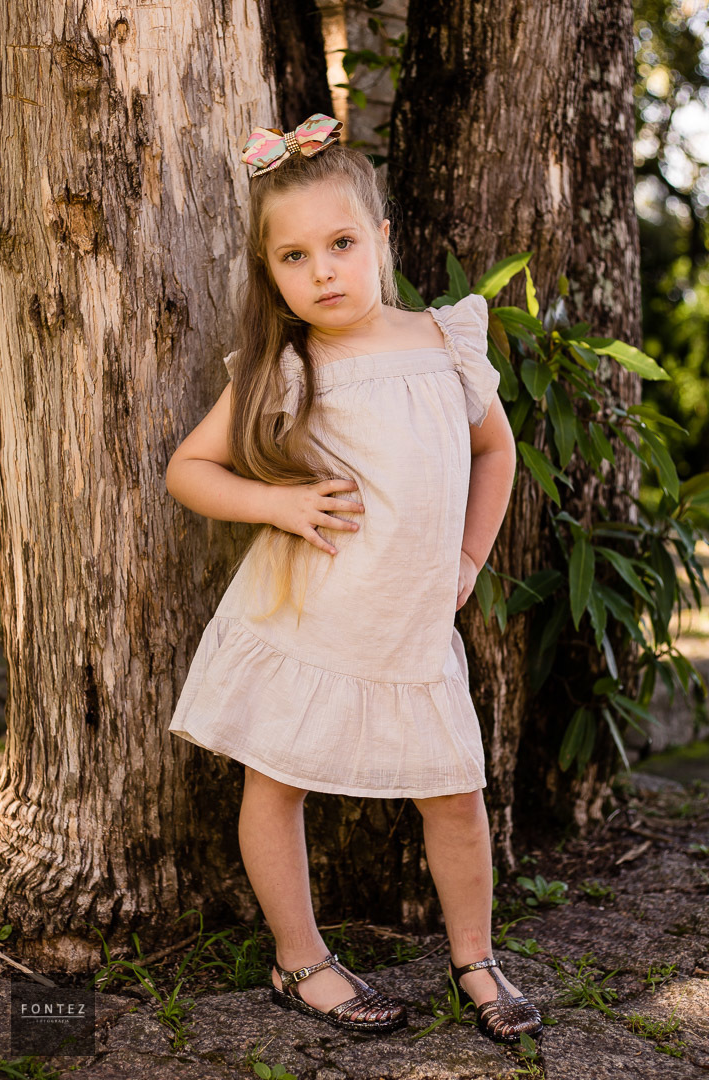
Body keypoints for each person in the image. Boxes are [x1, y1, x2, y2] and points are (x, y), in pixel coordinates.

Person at [165, 112, 543, 1044]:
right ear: (271, 275)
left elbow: (495, 452)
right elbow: (190, 470)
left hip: (410, 625)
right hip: (308, 620)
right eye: (294, 257)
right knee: (276, 783)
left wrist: (467, 558)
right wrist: (279, 504)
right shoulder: (288, 366)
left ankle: (476, 959)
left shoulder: (443, 342)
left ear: (381, 238)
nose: (323, 272)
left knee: (455, 793)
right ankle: (300, 961)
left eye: (340, 244)